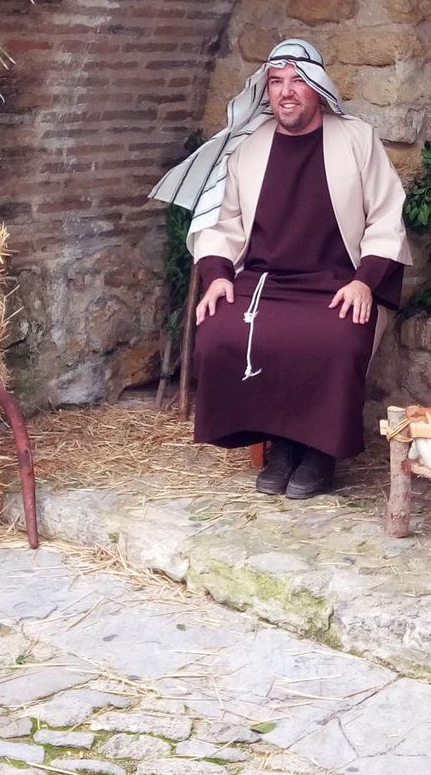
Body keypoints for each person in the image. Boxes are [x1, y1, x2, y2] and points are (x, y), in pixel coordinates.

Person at [150, 39, 411, 499]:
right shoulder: (248, 148)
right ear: (266, 91)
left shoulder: (356, 139)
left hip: (337, 283)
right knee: (221, 331)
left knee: (337, 336)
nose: (286, 92)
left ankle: (318, 453)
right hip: (264, 285)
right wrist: (217, 278)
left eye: (297, 81)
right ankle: (281, 446)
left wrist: (364, 282)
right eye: (276, 82)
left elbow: (386, 217)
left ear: (318, 88)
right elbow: (224, 222)